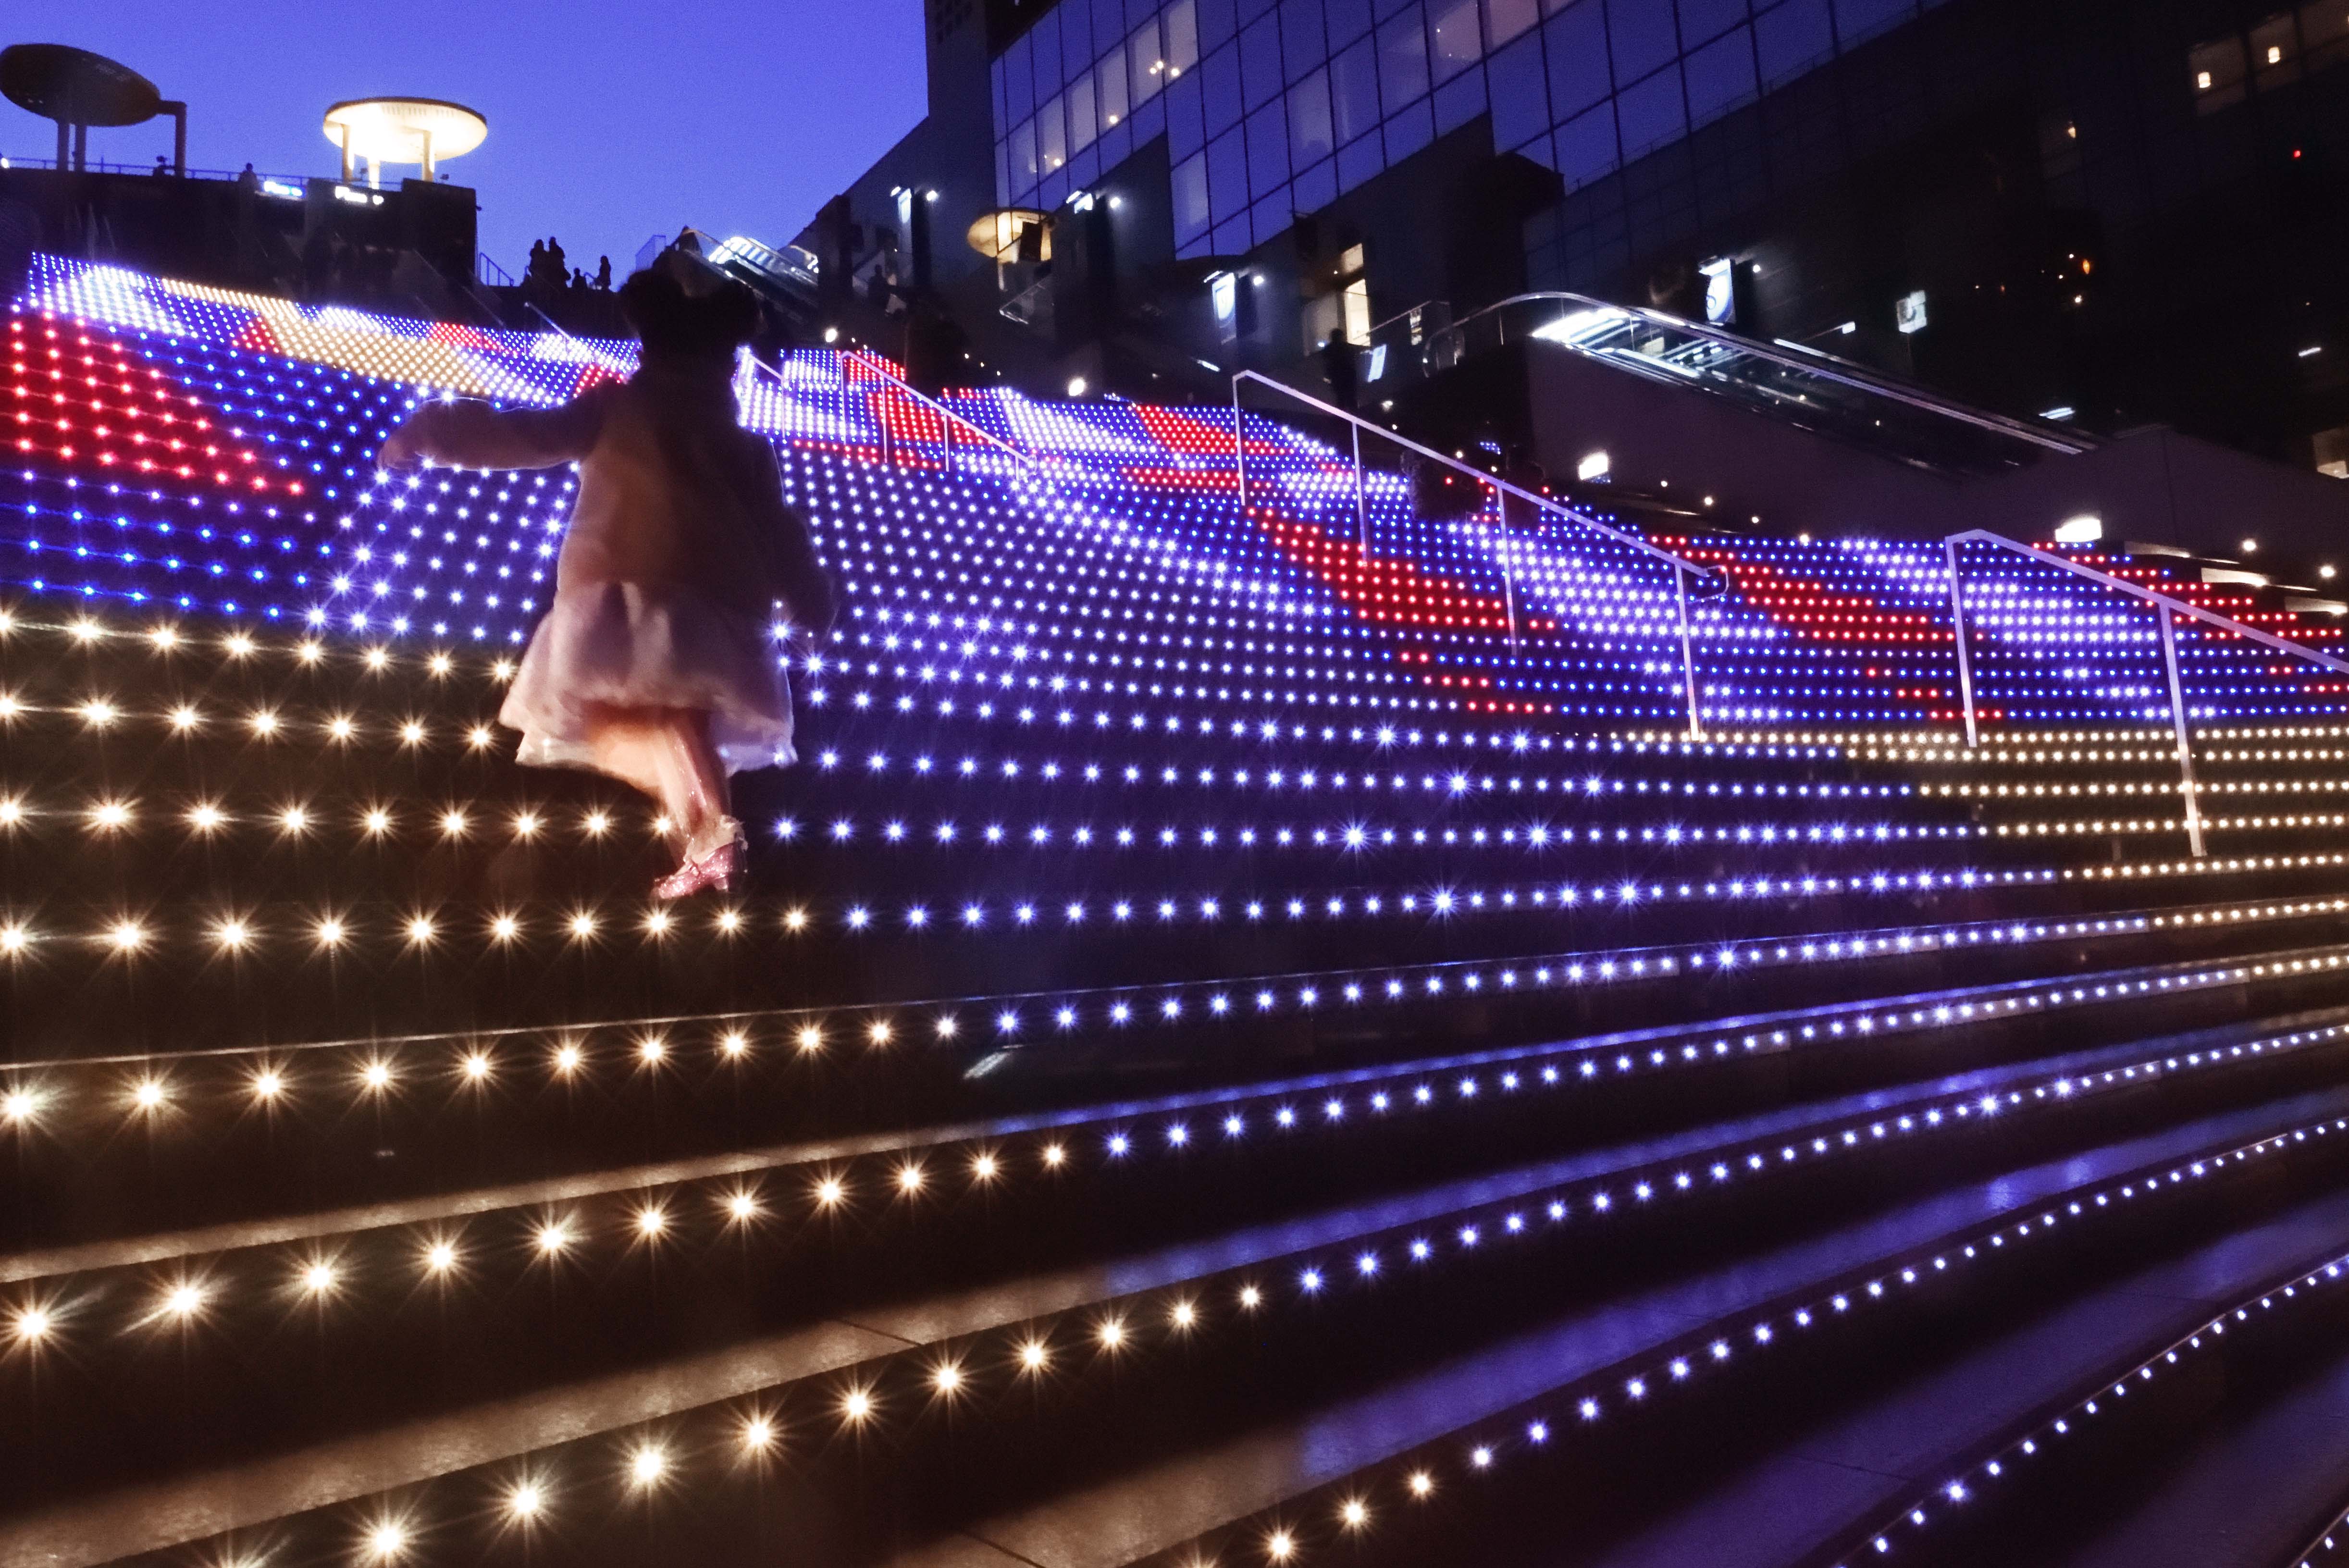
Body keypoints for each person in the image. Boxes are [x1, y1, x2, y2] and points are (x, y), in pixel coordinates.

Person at [374, 265, 835, 898]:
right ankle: (710, 840)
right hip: (722, 602)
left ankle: (712, 836)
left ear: (649, 350)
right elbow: (783, 533)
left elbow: (526, 436)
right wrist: (814, 605)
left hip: (628, 582)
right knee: (678, 718)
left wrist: (427, 432)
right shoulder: (746, 445)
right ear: (726, 367)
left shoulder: (616, 407)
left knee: (623, 720)